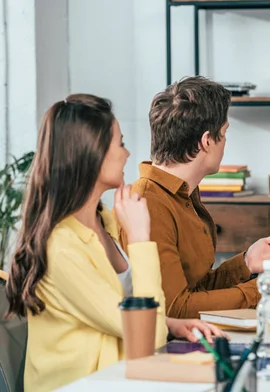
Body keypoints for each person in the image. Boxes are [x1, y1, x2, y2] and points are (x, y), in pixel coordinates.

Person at [5, 94, 228, 392]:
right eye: (120, 143)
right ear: (92, 155)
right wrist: (140, 239)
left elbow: (130, 316)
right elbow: (145, 336)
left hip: (122, 379)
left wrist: (173, 324)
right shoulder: (61, 247)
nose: (127, 154)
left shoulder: (105, 223)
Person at [120, 76, 270, 319]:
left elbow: (195, 290)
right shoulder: (149, 203)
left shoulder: (182, 195)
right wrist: (264, 288)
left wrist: (246, 264)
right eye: (224, 133)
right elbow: (175, 308)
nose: (225, 143)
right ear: (206, 141)